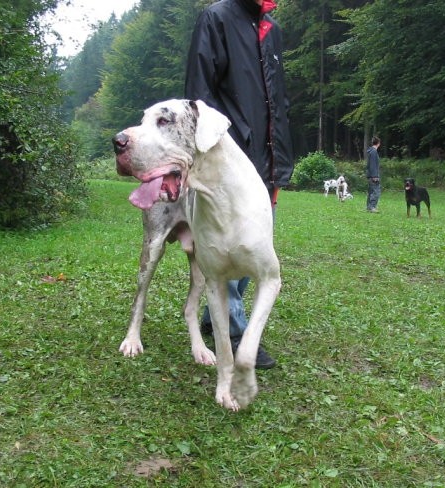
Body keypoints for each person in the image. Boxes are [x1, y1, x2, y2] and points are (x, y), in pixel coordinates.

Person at [185, 0, 294, 369]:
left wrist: (279, 162)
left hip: (266, 163)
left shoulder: (272, 30)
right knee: (226, 244)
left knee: (254, 247)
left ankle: (218, 319)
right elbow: (199, 96)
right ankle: (232, 331)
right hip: (228, 160)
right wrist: (228, 141)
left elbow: (278, 102)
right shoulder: (216, 18)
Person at [366, 136, 382, 213]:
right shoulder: (374, 152)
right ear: (378, 143)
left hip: (370, 175)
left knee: (371, 191)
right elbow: (373, 165)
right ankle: (372, 207)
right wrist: (375, 176)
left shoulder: (370, 151)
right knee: (376, 191)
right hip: (373, 176)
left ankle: (369, 207)